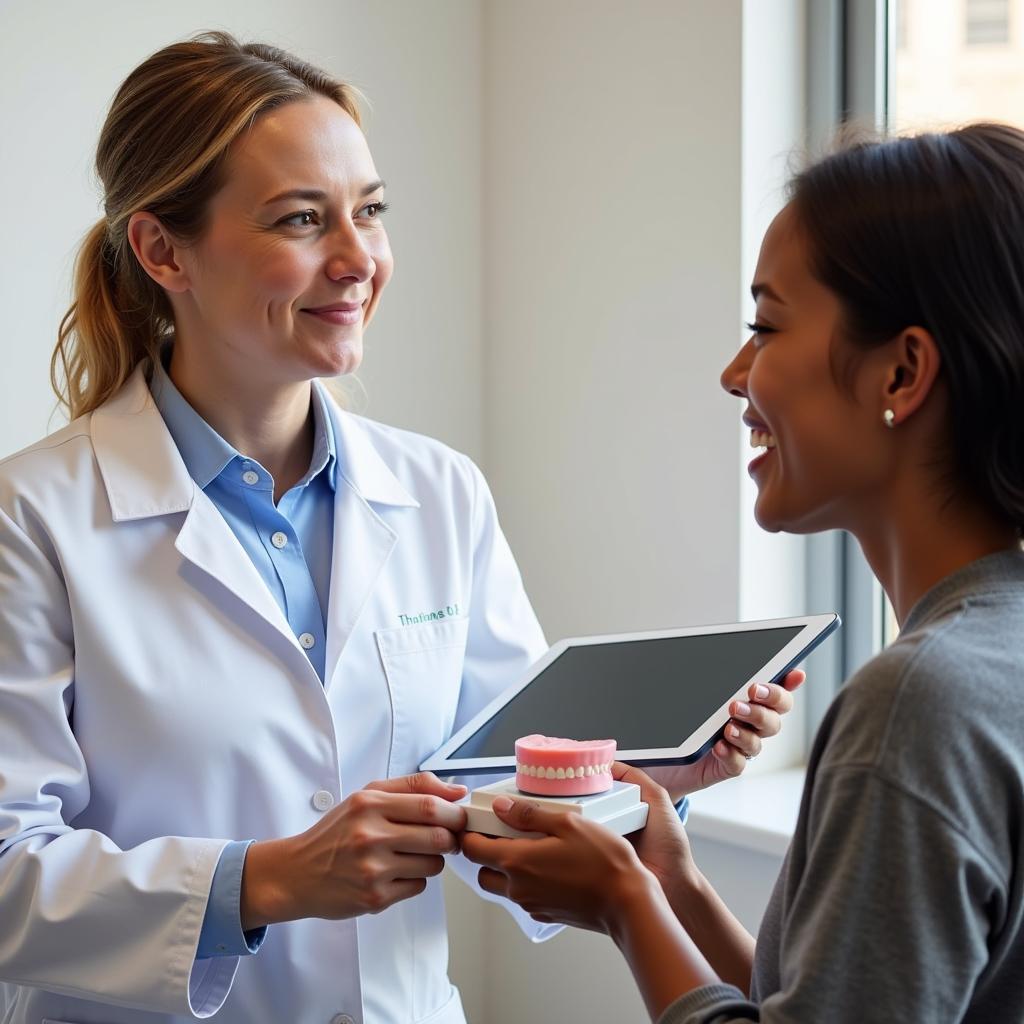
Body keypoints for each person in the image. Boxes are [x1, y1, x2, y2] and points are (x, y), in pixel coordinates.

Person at [0, 33, 800, 1024]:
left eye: (370, 211)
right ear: (164, 250)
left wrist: (643, 782)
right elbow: (6, 874)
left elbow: (490, 787)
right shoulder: (33, 518)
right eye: (302, 220)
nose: (358, 259)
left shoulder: (438, 491)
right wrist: (270, 879)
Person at [463, 122, 1024, 1023]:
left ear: (904, 371)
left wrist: (624, 904)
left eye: (765, 326)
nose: (735, 374)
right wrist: (672, 883)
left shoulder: (919, 703)